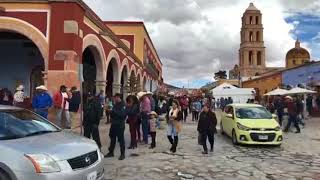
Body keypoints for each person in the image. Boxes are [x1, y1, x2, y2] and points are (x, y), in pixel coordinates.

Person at [105, 93, 127, 160]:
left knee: (121, 140)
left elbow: (122, 115)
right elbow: (113, 114)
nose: (114, 99)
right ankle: (111, 152)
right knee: (112, 139)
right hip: (114, 124)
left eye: (115, 98)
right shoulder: (115, 104)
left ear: (118, 97)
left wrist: (113, 111)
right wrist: (109, 112)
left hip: (120, 125)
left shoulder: (123, 105)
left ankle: (122, 154)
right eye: (114, 98)